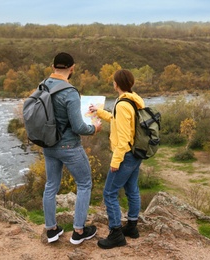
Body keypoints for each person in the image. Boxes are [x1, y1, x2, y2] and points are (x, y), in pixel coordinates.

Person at [42, 52, 101, 244]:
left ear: (53, 67)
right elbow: (78, 127)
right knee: (84, 184)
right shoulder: (70, 92)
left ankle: (51, 230)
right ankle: (78, 231)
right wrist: (94, 129)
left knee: (51, 185)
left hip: (48, 144)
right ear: (72, 68)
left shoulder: (42, 86)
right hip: (69, 146)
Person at [89, 69, 144, 249]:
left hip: (125, 155)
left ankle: (116, 234)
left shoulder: (122, 104)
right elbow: (117, 120)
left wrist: (115, 161)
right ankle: (132, 227)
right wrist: (100, 112)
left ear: (116, 84)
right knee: (132, 189)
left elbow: (123, 137)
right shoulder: (133, 100)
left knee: (109, 193)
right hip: (136, 153)